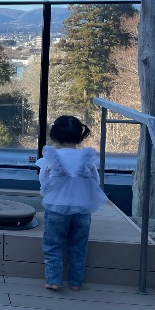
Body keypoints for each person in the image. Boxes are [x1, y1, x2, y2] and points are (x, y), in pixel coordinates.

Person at [36, 115, 107, 291]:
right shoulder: (86, 157)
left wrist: (49, 192)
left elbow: (43, 181)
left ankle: (54, 280)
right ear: (80, 137)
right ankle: (75, 282)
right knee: (79, 245)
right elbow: (95, 181)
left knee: (53, 243)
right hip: (82, 208)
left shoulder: (51, 157)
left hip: (56, 207)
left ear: (54, 136)